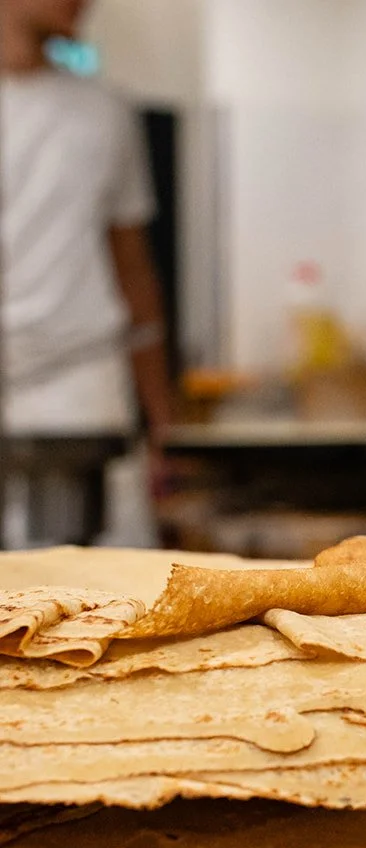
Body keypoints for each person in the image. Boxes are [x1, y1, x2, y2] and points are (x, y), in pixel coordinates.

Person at [1, 0, 171, 544]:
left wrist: (162, 420)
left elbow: (132, 269)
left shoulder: (102, 111)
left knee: (105, 596)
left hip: (81, 389)